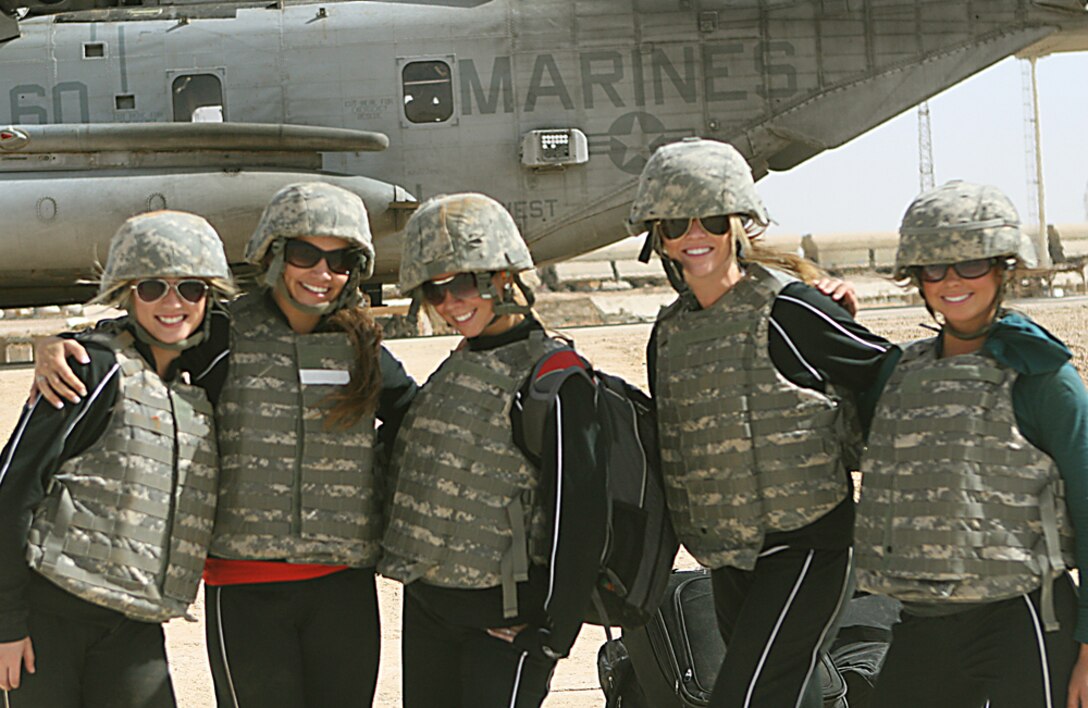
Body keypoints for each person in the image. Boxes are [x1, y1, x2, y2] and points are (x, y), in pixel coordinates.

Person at [30, 182, 418, 707]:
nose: (322, 272)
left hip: (341, 588)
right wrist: (57, 346)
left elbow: (416, 422)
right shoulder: (223, 331)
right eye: (305, 253)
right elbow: (141, 332)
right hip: (245, 588)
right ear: (275, 254)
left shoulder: (360, 345)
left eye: (341, 259)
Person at [630, 137, 897, 708]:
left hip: (806, 546)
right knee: (786, 696)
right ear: (659, 237)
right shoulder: (668, 335)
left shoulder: (790, 308)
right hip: (728, 555)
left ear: (738, 224)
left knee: (746, 698)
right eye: (677, 222)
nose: (694, 234)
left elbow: (888, 375)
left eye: (711, 218)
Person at [854, 180, 1088, 708]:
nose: (951, 281)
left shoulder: (1041, 377)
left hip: (1025, 619)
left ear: (1003, 268)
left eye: (971, 265)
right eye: (934, 268)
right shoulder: (900, 374)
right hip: (922, 622)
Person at [379, 193, 607, 708]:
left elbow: (580, 516)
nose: (450, 303)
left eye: (463, 283)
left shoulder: (553, 377)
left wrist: (550, 632)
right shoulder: (454, 369)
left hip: (504, 626)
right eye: (434, 292)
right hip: (431, 610)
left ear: (503, 276)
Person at [0, 210, 234, 706]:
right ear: (128, 292)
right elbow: (13, 490)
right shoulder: (91, 369)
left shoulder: (190, 395)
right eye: (153, 288)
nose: (173, 304)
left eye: (191, 288)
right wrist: (6, 626)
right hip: (49, 624)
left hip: (133, 626)